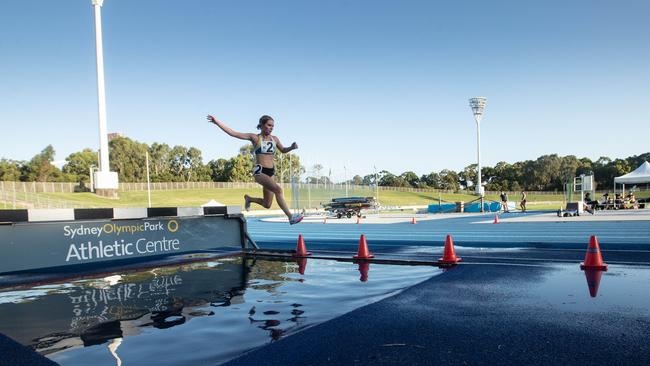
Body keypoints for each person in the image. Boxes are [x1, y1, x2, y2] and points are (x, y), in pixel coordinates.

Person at [206, 114, 304, 225]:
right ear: (262, 125)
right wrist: (217, 122)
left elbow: (283, 150)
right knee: (279, 190)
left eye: (273, 126)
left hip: (271, 172)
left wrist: (291, 147)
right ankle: (290, 217)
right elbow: (233, 133)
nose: (271, 128)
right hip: (260, 171)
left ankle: (249, 199)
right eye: (269, 125)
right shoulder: (255, 138)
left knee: (267, 204)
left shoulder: (275, 139)